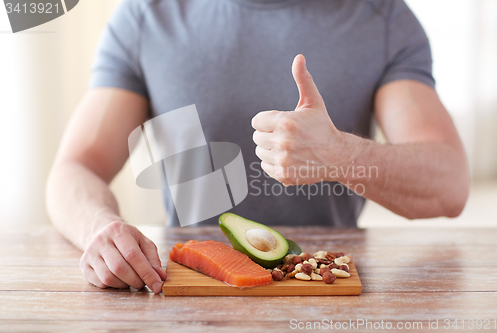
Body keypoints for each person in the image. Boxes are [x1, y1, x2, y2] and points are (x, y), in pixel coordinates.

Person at [46, 0, 469, 294]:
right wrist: (98, 229)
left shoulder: (384, 18)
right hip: (188, 290)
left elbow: (449, 184)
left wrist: (339, 153)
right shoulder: (145, 16)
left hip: (323, 291)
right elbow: (78, 167)